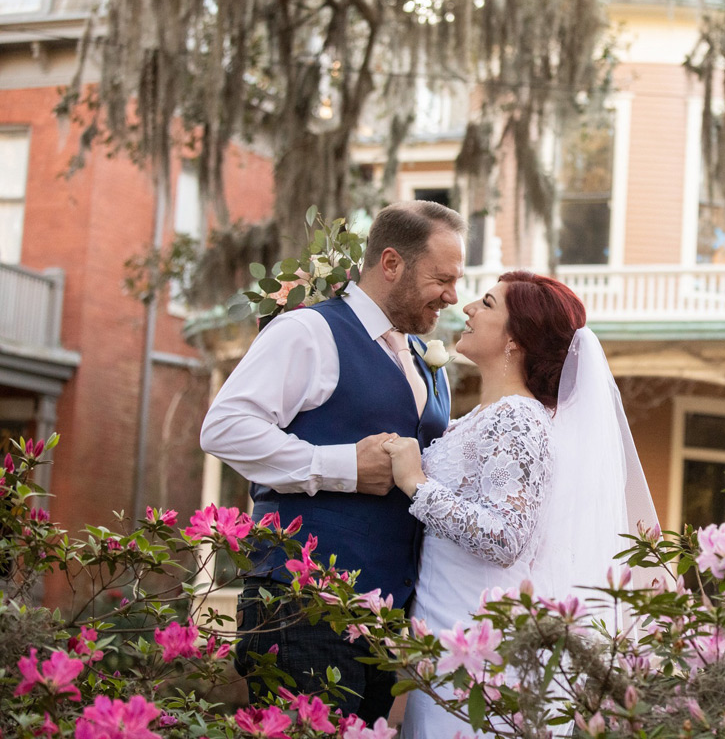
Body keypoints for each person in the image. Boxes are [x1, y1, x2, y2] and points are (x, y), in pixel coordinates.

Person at [199, 201, 466, 722]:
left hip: (389, 620)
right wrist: (339, 465)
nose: (453, 296)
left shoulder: (429, 365)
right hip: (302, 608)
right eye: (441, 278)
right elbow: (224, 428)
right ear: (391, 263)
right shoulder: (309, 333)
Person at [381, 271, 658, 739]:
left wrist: (416, 484)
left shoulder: (518, 419)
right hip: (445, 631)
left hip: (477, 641)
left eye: (486, 304)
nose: (468, 308)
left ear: (516, 339)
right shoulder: (484, 417)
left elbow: (505, 537)